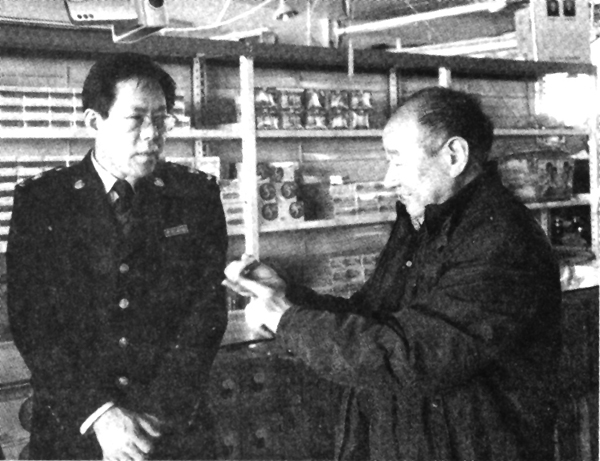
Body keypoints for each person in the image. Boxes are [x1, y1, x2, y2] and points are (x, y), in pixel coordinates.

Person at [225, 87, 562, 461]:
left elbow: (412, 355)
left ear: (454, 155)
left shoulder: (502, 240)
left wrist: (286, 319)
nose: (387, 180)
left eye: (397, 162)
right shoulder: (424, 222)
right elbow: (373, 315)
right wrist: (287, 296)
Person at [7, 53, 228, 460]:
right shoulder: (43, 202)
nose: (153, 134)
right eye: (136, 119)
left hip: (169, 429)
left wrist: (153, 415)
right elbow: (33, 322)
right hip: (77, 432)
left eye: (161, 119)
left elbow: (207, 312)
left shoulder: (194, 196)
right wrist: (101, 414)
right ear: (95, 122)